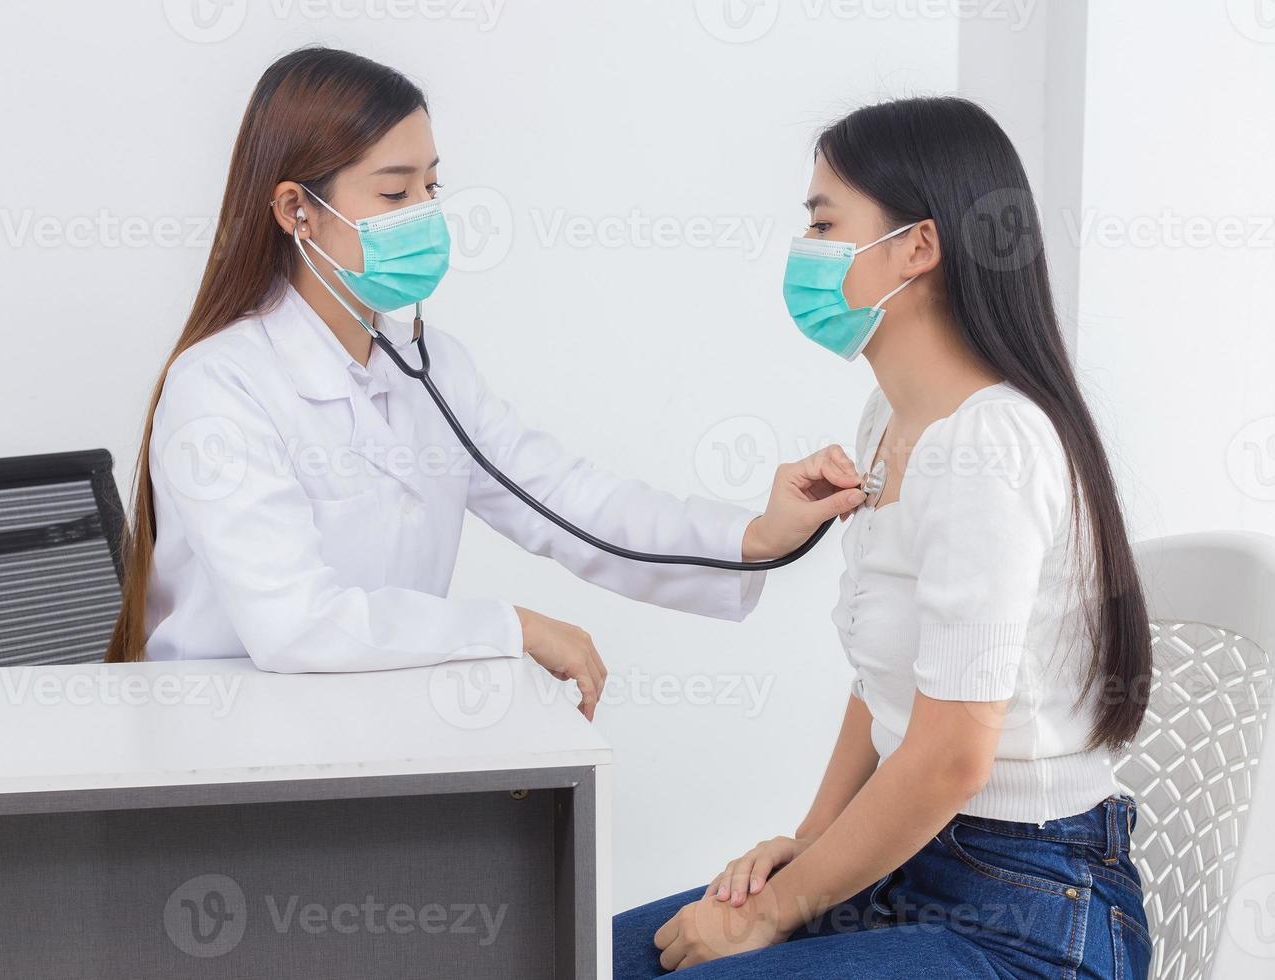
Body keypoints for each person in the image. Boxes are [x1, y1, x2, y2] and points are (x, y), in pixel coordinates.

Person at [103, 47, 866, 721]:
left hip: (371, 726)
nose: (426, 215)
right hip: (216, 749)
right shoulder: (220, 387)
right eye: (395, 194)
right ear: (297, 209)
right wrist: (513, 627)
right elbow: (297, 626)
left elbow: (570, 503)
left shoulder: (428, 370)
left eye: (432, 187)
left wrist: (754, 538)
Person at [613, 96, 1153, 979]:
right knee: (601, 955)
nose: (807, 252)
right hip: (907, 859)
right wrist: (806, 847)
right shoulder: (888, 423)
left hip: (1033, 910)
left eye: (825, 223)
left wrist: (775, 915)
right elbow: (886, 692)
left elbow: (949, 757)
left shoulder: (990, 445)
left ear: (917, 248)